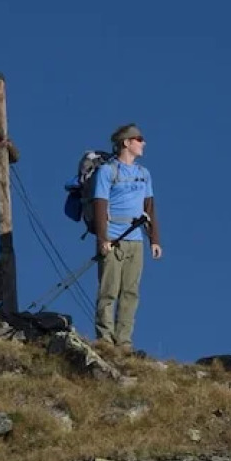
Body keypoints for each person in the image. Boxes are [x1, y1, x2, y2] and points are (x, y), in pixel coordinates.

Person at [92, 123, 162, 349]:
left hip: (136, 241)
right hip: (113, 239)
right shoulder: (107, 171)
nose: (143, 143)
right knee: (109, 290)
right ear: (126, 142)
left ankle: (124, 341)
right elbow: (100, 205)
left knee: (130, 292)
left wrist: (154, 239)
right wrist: (103, 239)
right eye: (139, 139)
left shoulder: (144, 174)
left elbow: (149, 208)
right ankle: (105, 338)